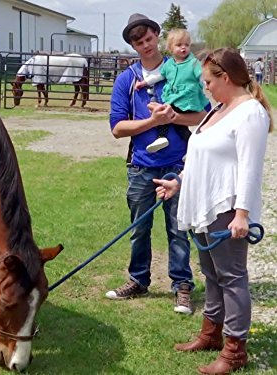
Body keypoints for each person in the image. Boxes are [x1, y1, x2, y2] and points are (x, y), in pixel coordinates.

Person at [154, 48, 273, 374]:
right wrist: (178, 182)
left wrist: (243, 214)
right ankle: (211, 334)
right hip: (204, 206)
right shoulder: (217, 110)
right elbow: (198, 155)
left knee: (232, 278)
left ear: (226, 77)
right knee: (211, 274)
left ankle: (235, 351)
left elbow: (250, 168)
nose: (204, 87)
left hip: (226, 207)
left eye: (208, 81)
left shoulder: (250, 113)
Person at [106, 13, 209, 314]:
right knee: (140, 227)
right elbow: (117, 128)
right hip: (140, 166)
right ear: (133, 46)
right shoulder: (127, 79)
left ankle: (182, 286)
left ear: (157, 35)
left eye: (149, 38)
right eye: (139, 42)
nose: (146, 45)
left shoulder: (181, 69)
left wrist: (174, 118)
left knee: (178, 228)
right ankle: (138, 280)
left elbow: (204, 116)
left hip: (177, 165)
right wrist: (152, 120)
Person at [134, 28, 209, 153]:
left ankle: (162, 137)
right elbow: (159, 76)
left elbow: (202, 75)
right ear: (170, 48)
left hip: (187, 99)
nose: (183, 48)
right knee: (180, 127)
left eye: (186, 45)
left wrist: (207, 83)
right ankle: (191, 148)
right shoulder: (169, 65)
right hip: (174, 99)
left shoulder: (193, 63)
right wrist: (144, 83)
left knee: (165, 114)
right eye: (179, 45)